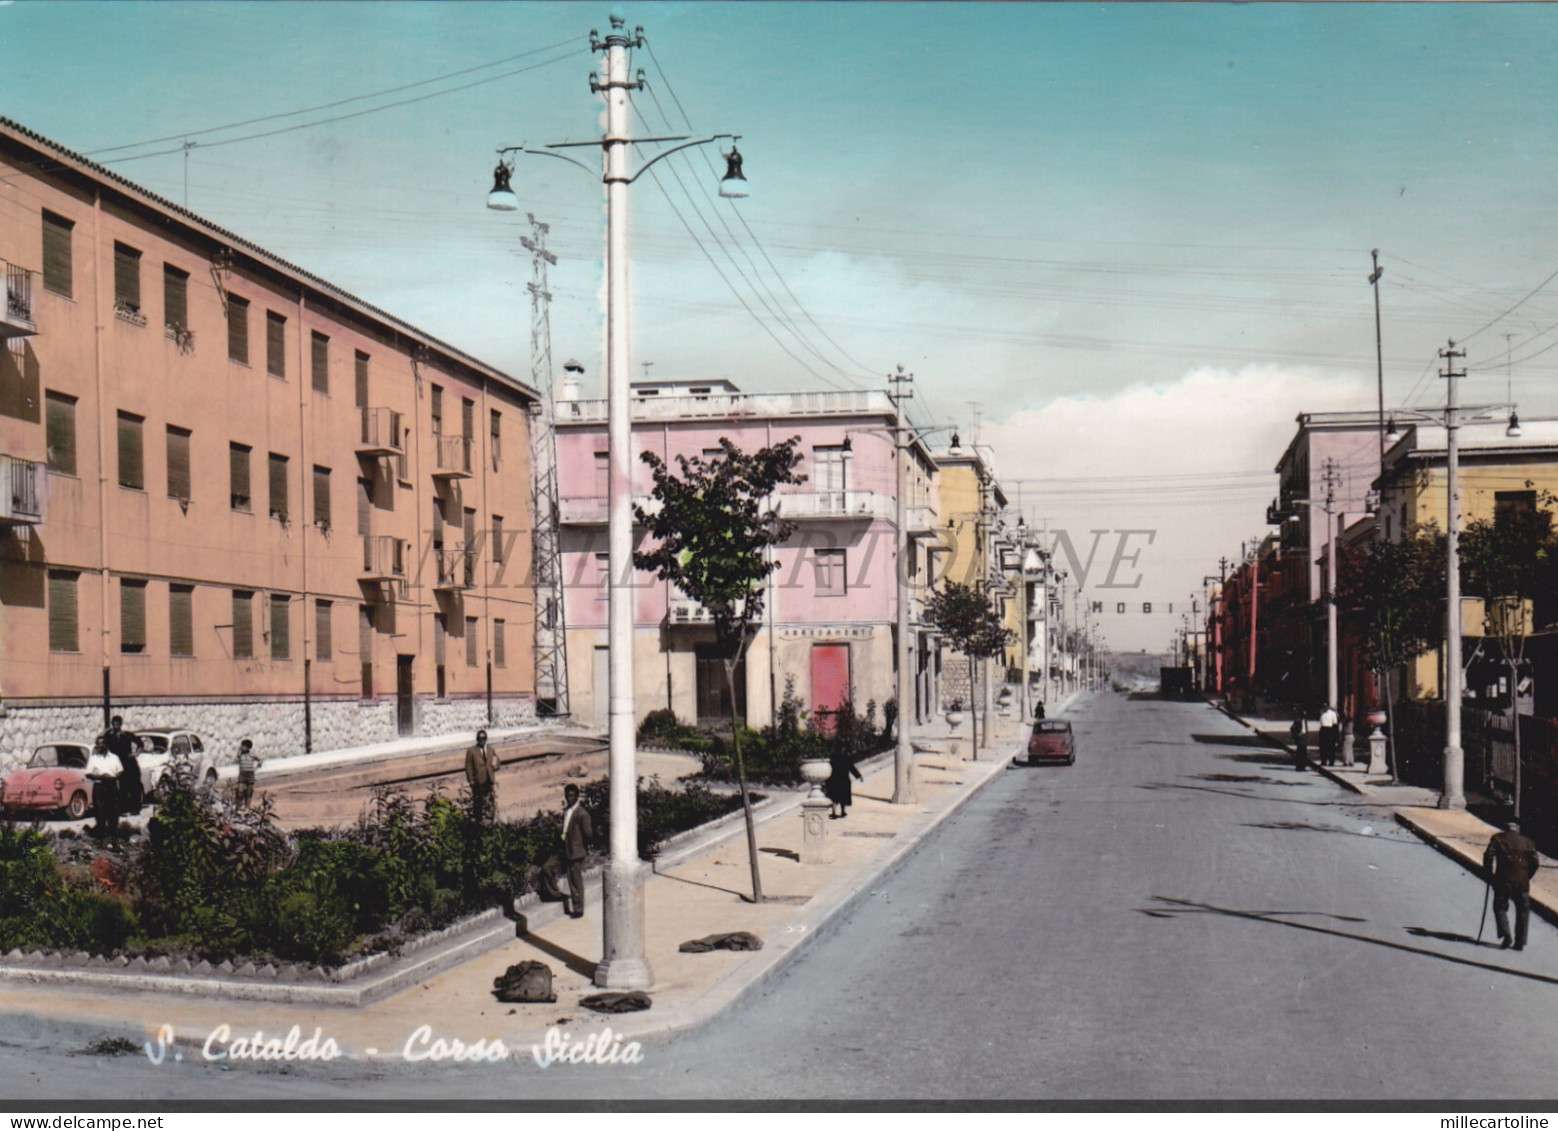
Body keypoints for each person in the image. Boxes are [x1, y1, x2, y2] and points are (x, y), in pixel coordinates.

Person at [1484, 819, 1540, 951]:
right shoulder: (1528, 842)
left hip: (1503, 880)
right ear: (1518, 828)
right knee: (1523, 911)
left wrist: (1490, 875)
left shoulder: (1498, 839)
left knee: (1499, 907)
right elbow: (1535, 863)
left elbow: (1488, 856)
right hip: (1522, 882)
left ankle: (1506, 934)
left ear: (1505, 827)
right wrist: (1527, 876)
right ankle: (1520, 942)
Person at [544, 784, 593, 918]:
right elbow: (565, 830)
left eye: (572, 796)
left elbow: (588, 834)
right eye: (567, 796)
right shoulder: (567, 811)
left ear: (577, 797)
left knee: (575, 881)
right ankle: (557, 895)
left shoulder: (582, 814)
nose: (569, 799)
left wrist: (581, 847)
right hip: (564, 850)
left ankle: (578, 909)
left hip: (575, 852)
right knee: (547, 868)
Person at [101, 715, 143, 815]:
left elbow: (140, 744)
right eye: (114, 724)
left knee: (134, 785)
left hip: (129, 763)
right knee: (121, 787)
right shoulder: (109, 736)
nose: (116, 727)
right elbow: (101, 743)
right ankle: (122, 809)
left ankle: (135, 808)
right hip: (116, 763)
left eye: (118, 724)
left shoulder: (126, 735)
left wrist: (135, 754)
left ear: (121, 725)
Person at [84, 740, 123, 837]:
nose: (98, 746)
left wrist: (113, 777)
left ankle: (112, 833)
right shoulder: (94, 759)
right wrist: (101, 777)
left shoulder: (114, 758)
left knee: (113, 810)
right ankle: (101, 834)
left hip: (111, 786)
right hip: (99, 786)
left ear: (106, 744)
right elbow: (88, 774)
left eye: (100, 744)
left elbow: (120, 771)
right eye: (97, 744)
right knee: (100, 811)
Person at [464, 729, 499, 823]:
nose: (482, 740)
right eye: (480, 739)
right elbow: (468, 766)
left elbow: (497, 761)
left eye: (483, 738)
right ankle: (479, 820)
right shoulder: (471, 751)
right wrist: (470, 780)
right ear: (477, 739)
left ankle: (490, 818)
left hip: (489, 778)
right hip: (478, 780)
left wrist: (495, 765)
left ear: (486, 739)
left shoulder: (490, 750)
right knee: (478, 801)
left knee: (490, 799)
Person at [825, 747, 864, 820]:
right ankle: (843, 811)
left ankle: (834, 812)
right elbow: (852, 768)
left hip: (833, 779)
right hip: (844, 779)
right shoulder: (846, 758)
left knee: (834, 797)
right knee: (843, 796)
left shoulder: (832, 758)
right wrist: (859, 776)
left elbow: (827, 768)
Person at [236, 738, 262, 807]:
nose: (242, 747)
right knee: (240, 790)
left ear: (248, 747)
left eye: (243, 746)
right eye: (242, 746)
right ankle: (239, 805)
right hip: (242, 774)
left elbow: (260, 759)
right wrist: (239, 749)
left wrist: (257, 766)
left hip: (250, 774)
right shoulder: (240, 754)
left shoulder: (252, 754)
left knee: (249, 792)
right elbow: (237, 757)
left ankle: (247, 806)